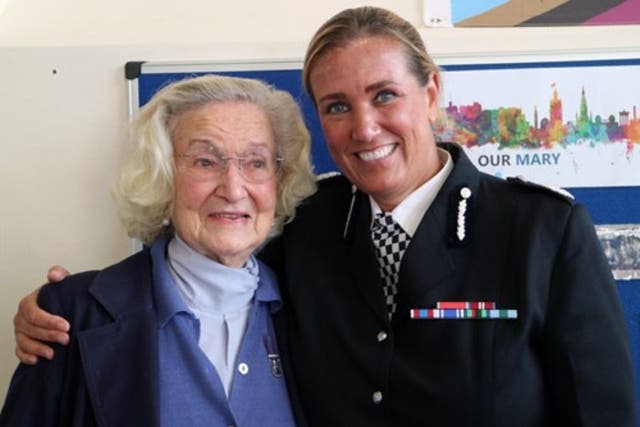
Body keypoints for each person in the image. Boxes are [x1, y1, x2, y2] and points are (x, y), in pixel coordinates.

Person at [11, 6, 638, 426]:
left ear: (431, 93)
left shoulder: (542, 233)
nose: (364, 128)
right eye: (337, 106)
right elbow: (200, 254)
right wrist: (58, 304)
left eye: (385, 95)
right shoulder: (307, 226)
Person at [1, 74, 316, 426]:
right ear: (163, 176)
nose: (233, 188)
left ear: (280, 178)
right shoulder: (71, 315)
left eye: (256, 162)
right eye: (205, 162)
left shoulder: (309, 309)